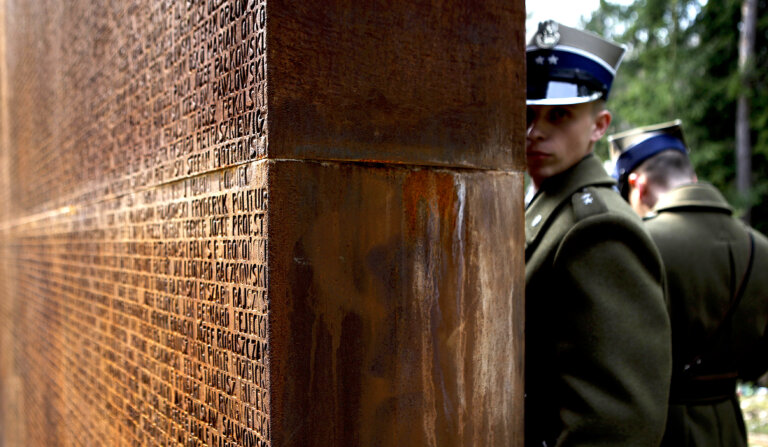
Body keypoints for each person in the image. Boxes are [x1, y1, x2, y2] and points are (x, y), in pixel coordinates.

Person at [524, 20, 672, 446]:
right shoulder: (550, 205)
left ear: (599, 125)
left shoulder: (598, 229)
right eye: (528, 114)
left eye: (559, 115)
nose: (536, 130)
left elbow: (616, 425)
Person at [609, 120, 768, 447]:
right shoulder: (762, 248)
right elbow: (758, 364)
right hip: (729, 428)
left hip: (660, 430)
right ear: (691, 178)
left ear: (636, 185)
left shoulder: (639, 245)